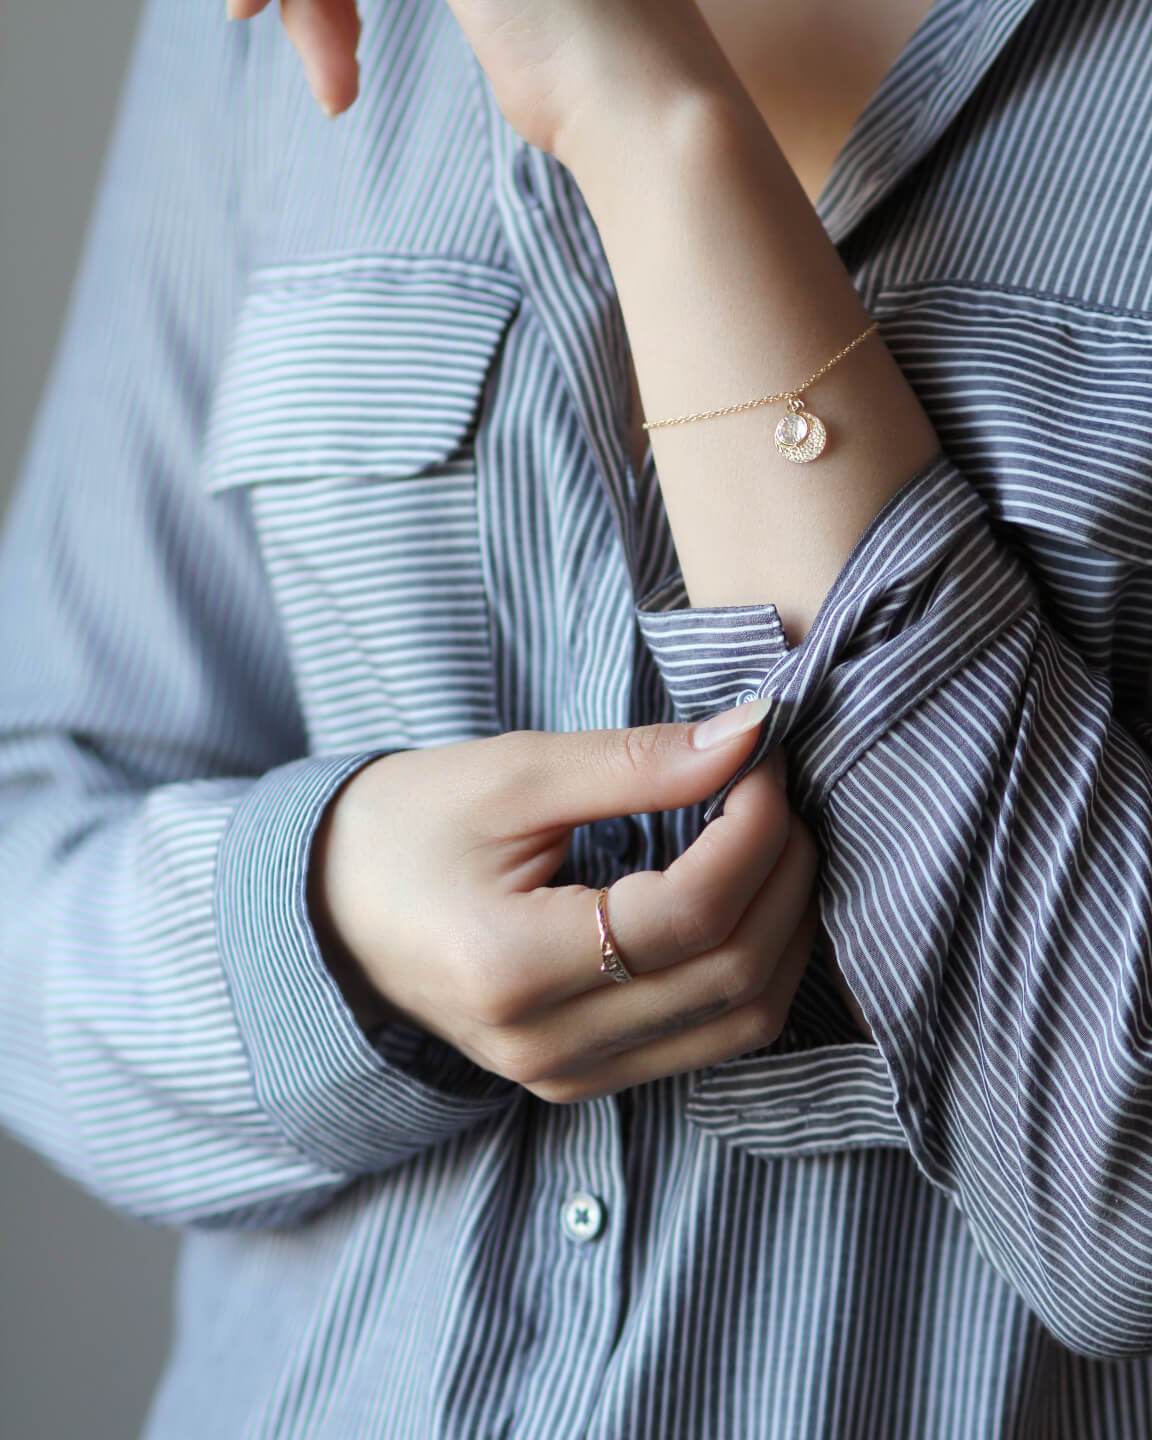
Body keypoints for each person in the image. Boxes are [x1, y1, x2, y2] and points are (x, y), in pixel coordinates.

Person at [3, 0, 1152, 1433]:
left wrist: (656, 134)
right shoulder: (262, 34)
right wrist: (334, 928)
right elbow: (33, 831)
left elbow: (1127, 1203)